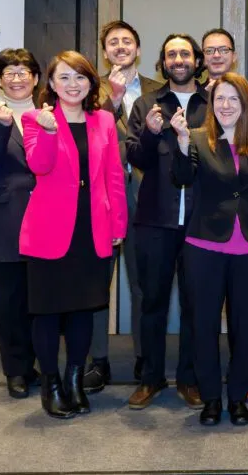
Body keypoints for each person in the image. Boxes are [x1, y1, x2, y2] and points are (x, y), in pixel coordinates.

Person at [19, 50, 128, 419]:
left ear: (90, 83)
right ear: (50, 83)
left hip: (93, 228)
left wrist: (118, 226)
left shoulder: (104, 121)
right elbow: (39, 165)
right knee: (47, 313)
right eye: (64, 77)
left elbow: (113, 175)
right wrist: (49, 131)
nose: (72, 85)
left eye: (80, 77)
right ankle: (51, 384)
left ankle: (76, 379)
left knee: (85, 310)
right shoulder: (35, 118)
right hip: (50, 230)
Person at [172, 73, 248, 426]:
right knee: (203, 325)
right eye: (220, 98)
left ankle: (237, 398)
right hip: (203, 246)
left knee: (246, 326)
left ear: (246, 104)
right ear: (211, 104)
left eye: (233, 99)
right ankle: (210, 399)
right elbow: (182, 178)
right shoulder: (195, 138)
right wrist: (178, 145)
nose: (225, 105)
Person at [124, 34, 209, 410]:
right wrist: (151, 133)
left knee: (196, 304)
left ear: (197, 60)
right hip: (155, 220)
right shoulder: (146, 104)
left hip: (200, 221)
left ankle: (190, 380)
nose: (179, 59)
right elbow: (136, 159)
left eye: (185, 53)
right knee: (152, 301)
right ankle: (151, 378)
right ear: (163, 61)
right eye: (172, 54)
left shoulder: (213, 103)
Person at [86, 20, 164, 392]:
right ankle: (97, 360)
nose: (120, 47)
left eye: (127, 41)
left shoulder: (158, 90)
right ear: (105, 52)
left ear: (137, 48)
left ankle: (145, 359)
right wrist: (111, 101)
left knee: (142, 283)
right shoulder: (87, 87)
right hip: (101, 198)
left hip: (146, 198)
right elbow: (82, 132)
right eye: (113, 42)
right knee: (98, 284)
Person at [0, 48, 42, 400]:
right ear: (0, 81)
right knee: (10, 299)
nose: (17, 78)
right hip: (6, 218)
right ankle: (15, 370)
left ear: (36, 78)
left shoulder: (50, 115)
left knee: (40, 299)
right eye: (9, 72)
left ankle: (38, 364)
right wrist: (2, 129)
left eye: (23, 71)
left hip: (47, 218)